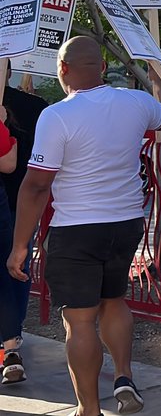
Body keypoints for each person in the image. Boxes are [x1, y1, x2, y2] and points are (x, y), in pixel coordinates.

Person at [6, 36, 161, 416]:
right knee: (114, 301)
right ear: (102, 67)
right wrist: (157, 76)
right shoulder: (135, 103)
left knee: (79, 319)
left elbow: (37, 184)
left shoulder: (57, 115)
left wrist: (20, 246)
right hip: (125, 223)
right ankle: (123, 377)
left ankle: (88, 409)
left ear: (63, 69)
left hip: (76, 229)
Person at [0, 70, 47, 384]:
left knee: (13, 272)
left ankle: (10, 344)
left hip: (15, 202)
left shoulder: (33, 106)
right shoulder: (36, 106)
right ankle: (11, 342)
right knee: (14, 272)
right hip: (22, 200)